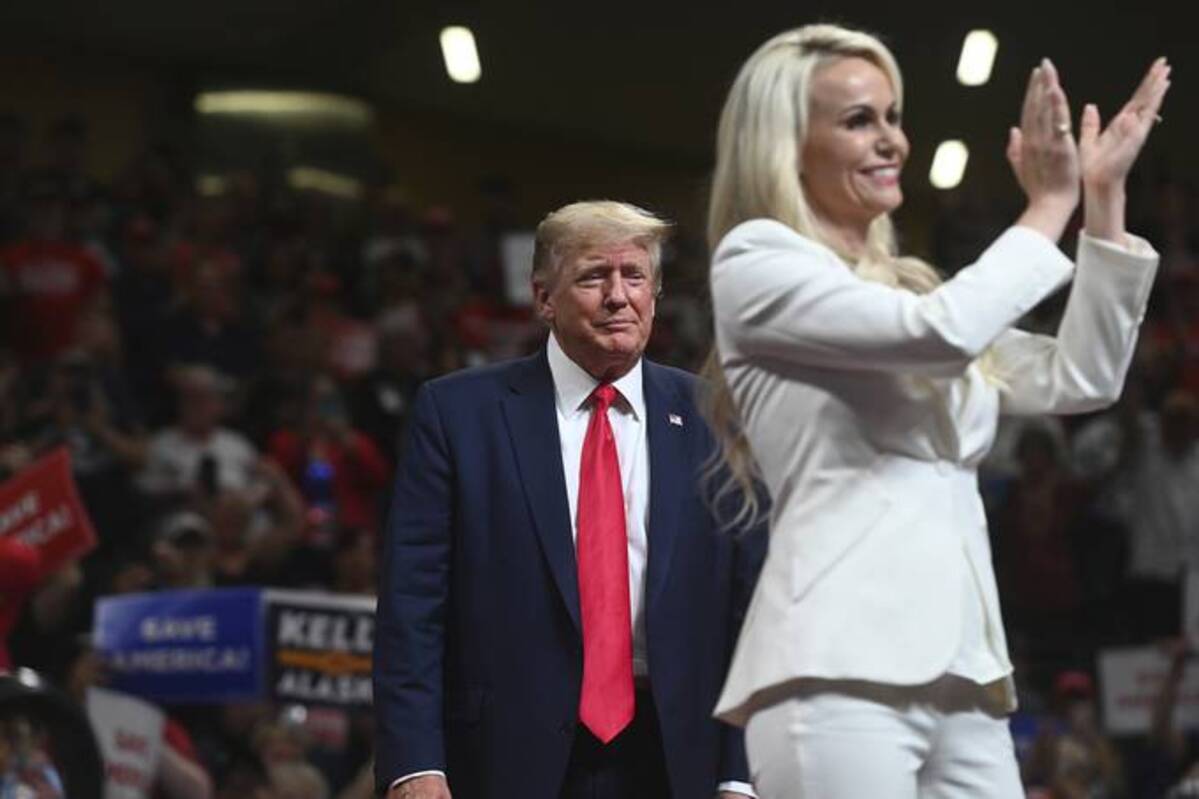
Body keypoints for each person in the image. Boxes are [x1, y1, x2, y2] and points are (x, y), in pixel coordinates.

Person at [702, 23, 1169, 798]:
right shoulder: (756, 260)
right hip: (835, 667)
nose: (891, 140)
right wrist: (1047, 205)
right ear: (783, 143)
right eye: (858, 120)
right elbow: (941, 335)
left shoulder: (912, 284)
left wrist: (1100, 199)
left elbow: (1080, 376)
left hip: (967, 673)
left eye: (891, 116)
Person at [373, 201, 764, 799]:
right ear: (543, 297)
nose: (618, 296)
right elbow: (412, 605)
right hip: (501, 756)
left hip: (677, 759)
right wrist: (414, 762)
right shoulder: (457, 414)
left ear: (655, 295)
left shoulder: (717, 419)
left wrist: (741, 773)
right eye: (592, 277)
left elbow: (750, 610)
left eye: (635, 276)